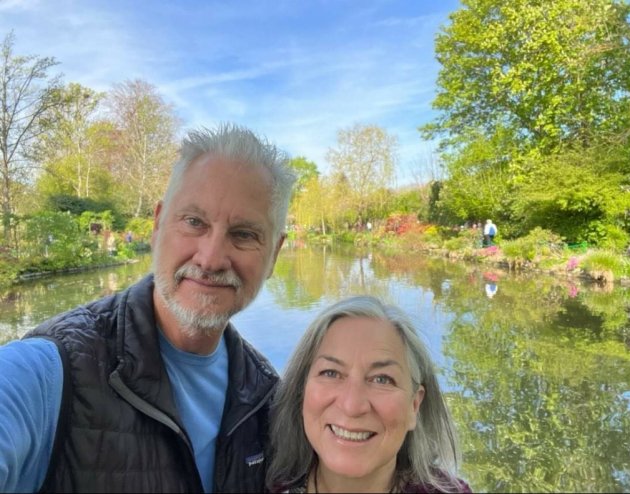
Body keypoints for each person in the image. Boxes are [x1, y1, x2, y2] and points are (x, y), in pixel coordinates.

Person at [0, 123, 297, 493]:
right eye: (194, 222)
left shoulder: (268, 397)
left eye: (244, 235)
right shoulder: (52, 371)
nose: (211, 258)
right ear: (157, 225)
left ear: (274, 255)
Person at [267, 296, 471, 493]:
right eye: (331, 373)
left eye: (382, 379)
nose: (352, 405)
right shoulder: (255, 479)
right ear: (302, 392)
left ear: (414, 405)